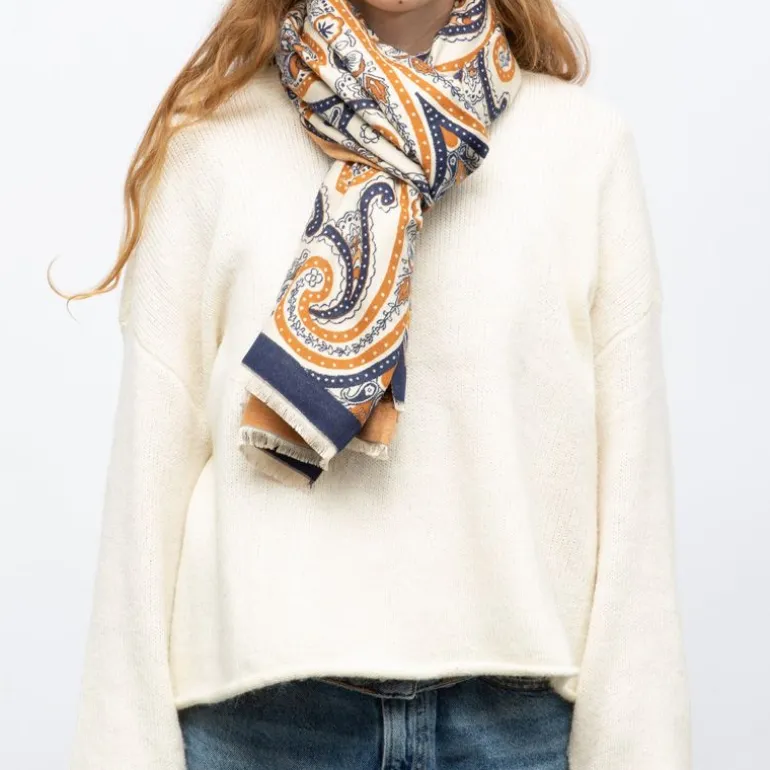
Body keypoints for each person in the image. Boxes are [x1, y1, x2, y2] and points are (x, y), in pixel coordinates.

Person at [61, 0, 691, 767]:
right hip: (262, 733)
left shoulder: (585, 150)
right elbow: (143, 497)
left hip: (510, 732)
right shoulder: (212, 148)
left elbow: (632, 504)